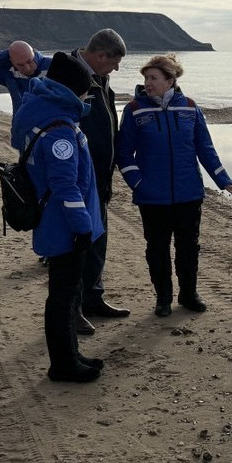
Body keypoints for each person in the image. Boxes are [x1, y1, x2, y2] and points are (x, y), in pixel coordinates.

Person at [116, 53, 232, 317]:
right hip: (152, 197)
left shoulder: (191, 107)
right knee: (157, 249)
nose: (148, 83)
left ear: (170, 80)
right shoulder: (135, 109)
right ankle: (163, 298)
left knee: (188, 248)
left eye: (154, 78)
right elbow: (124, 152)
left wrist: (223, 180)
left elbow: (205, 148)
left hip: (188, 194)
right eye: (146, 78)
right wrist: (137, 182)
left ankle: (188, 293)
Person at [11, 52, 106, 383]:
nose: (87, 96)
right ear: (71, 91)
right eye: (85, 90)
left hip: (61, 223)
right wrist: (83, 228)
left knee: (66, 293)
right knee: (63, 296)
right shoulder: (60, 130)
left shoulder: (50, 116)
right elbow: (66, 187)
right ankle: (63, 365)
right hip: (64, 226)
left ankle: (71, 354)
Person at [68, 29, 131, 320]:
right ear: (101, 55)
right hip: (79, 179)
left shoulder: (101, 81)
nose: (117, 68)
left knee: (97, 242)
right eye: (115, 62)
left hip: (100, 178)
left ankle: (93, 297)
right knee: (77, 247)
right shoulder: (70, 78)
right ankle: (74, 307)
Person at [0, 40, 53, 148]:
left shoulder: (53, 66)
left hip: (50, 129)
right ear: (11, 62)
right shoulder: (9, 74)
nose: (27, 68)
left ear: (34, 53)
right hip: (22, 129)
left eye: (30, 61)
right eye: (20, 65)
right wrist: (10, 52)